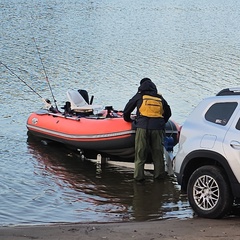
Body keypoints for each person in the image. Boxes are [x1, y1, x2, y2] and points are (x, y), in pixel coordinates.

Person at [123, 78, 171, 182]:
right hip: (157, 128)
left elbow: (127, 110)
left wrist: (128, 119)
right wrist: (161, 122)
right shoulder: (159, 98)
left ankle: (139, 179)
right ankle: (159, 178)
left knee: (140, 155)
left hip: (142, 127)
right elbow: (168, 113)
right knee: (158, 155)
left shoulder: (140, 95)